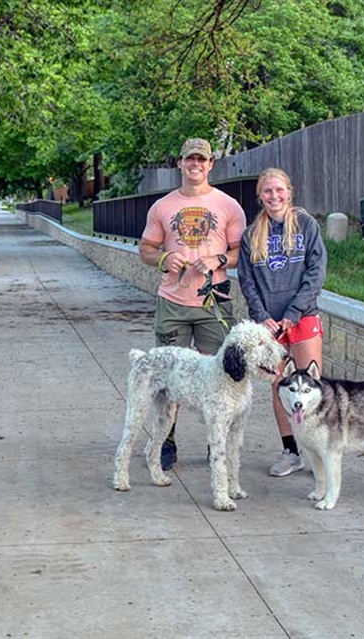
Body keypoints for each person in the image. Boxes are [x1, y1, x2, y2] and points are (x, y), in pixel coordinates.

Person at [139, 137, 246, 471]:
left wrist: (217, 258)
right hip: (173, 302)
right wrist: (164, 259)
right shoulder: (162, 207)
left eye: (202, 159)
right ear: (180, 164)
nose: (195, 164)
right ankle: (166, 441)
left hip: (214, 302)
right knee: (170, 376)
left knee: (222, 375)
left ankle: (218, 445)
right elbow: (146, 249)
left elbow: (240, 251)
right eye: (190, 159)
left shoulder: (229, 206)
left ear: (211, 164)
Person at [237, 167, 327, 477]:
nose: (274, 196)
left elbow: (316, 273)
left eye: (279, 190)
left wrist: (293, 313)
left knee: (310, 386)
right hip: (270, 326)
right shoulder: (251, 235)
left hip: (301, 318)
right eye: (267, 191)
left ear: (289, 192)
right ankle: (291, 452)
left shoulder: (306, 225)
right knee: (281, 387)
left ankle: (317, 453)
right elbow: (247, 281)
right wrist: (263, 318)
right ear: (260, 197)